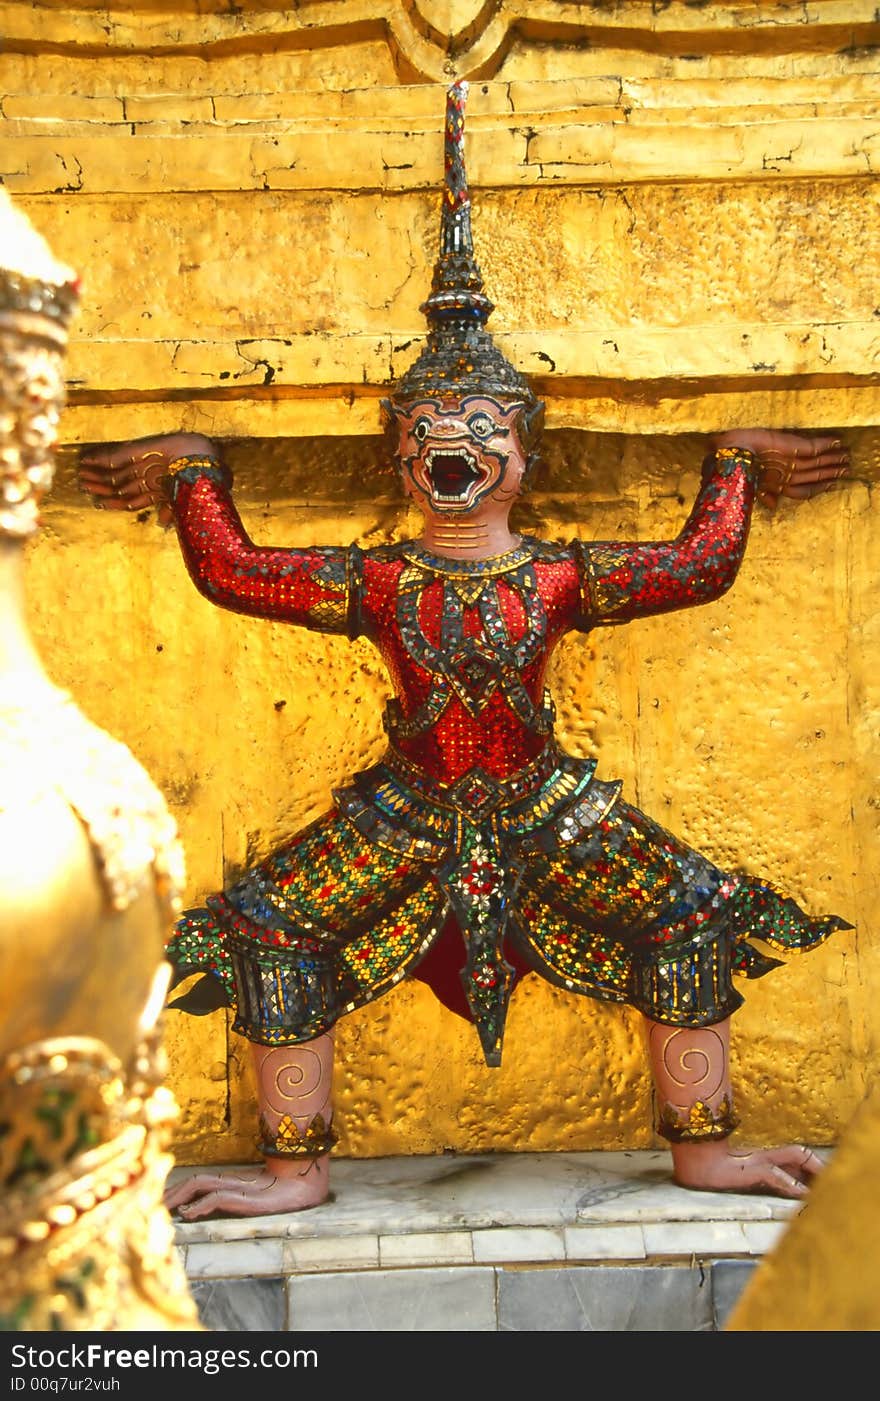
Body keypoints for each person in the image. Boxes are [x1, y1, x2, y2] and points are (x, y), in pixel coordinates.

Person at [78, 81, 851, 1221]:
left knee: (689, 908)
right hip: (405, 807)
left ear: (521, 457)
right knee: (271, 929)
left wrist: (733, 467)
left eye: (485, 432)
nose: (457, 446)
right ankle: (295, 1169)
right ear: (400, 462)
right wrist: (195, 472)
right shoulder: (381, 581)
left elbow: (697, 567)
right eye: (430, 438)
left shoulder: (555, 578)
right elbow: (236, 573)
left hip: (545, 803)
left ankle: (702, 1147)